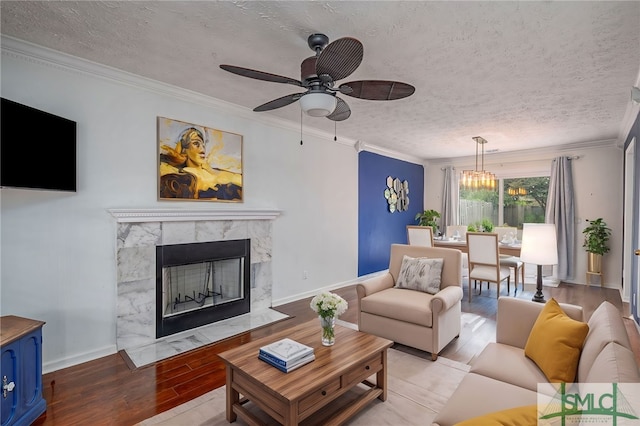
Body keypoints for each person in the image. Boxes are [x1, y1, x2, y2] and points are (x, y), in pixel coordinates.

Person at [160, 127, 242, 200]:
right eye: (196, 143)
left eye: (203, 145)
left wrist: (211, 170)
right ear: (184, 150)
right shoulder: (185, 175)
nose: (202, 150)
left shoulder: (212, 171)